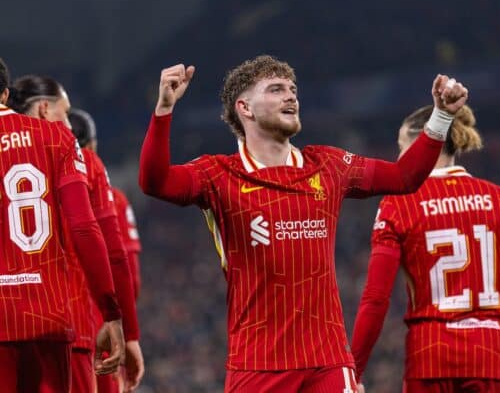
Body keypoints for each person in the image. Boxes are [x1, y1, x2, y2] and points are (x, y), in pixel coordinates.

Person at [139, 55, 468, 392]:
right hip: (257, 365)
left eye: (293, 89)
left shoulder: (328, 165)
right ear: (245, 108)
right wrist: (163, 109)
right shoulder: (219, 174)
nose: (291, 96)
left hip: (328, 363)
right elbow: (155, 182)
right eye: (276, 89)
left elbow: (404, 177)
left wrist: (441, 116)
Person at [350, 105, 500, 393]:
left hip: (429, 360)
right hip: (491, 361)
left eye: (402, 148)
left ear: (424, 143)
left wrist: (355, 371)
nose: (399, 159)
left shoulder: (398, 205)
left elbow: (376, 299)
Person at [8, 76, 141, 393]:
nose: (67, 122)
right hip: (69, 323)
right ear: (43, 109)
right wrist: (126, 327)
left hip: (7, 321)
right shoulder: (76, 155)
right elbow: (117, 256)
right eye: (64, 113)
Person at [70, 107, 145, 392]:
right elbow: (130, 274)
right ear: (91, 147)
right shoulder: (113, 198)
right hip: (100, 333)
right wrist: (127, 332)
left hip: (47, 323)